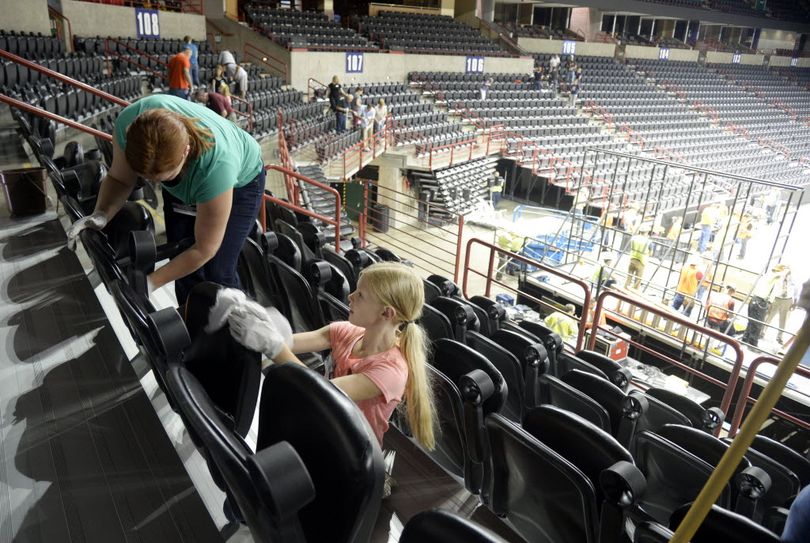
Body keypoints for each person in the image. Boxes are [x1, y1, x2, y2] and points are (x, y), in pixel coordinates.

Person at [65, 94, 265, 305]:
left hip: (243, 181)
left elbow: (204, 248)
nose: (154, 184)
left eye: (162, 179)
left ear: (185, 152)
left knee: (218, 269)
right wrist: (101, 213)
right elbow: (120, 179)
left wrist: (150, 283)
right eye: (147, 177)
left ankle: (239, 328)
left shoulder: (217, 167)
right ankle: (192, 322)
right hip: (188, 172)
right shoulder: (129, 125)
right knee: (180, 252)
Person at [227, 262, 436, 452]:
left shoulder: (391, 371)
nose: (350, 297)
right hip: (324, 425)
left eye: (360, 295)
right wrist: (258, 319)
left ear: (386, 314)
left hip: (352, 451)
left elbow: (321, 392)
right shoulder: (348, 331)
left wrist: (274, 345)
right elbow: (290, 342)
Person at [765, 263, 796, 345]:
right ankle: (762, 332)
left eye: (788, 269)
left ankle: (780, 337)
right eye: (785, 268)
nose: (787, 270)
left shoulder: (792, 278)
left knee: (783, 319)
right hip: (777, 298)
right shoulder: (779, 276)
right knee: (769, 316)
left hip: (787, 299)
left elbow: (796, 289)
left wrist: (794, 302)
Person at [706, 285, 736, 352]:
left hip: (709, 318)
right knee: (732, 332)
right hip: (719, 321)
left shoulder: (714, 295)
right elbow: (731, 315)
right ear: (733, 292)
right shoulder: (731, 300)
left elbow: (707, 307)